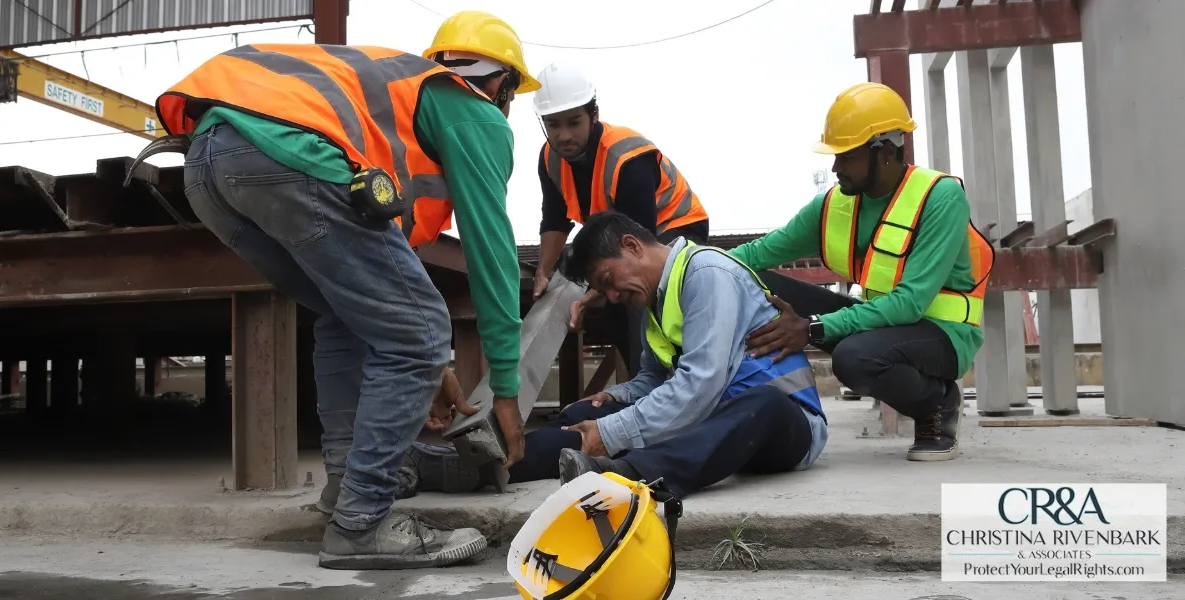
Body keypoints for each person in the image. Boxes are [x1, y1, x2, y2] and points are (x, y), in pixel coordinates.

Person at [149, 10, 540, 569]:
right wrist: (505, 390)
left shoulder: (395, 105)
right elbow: (492, 251)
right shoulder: (473, 112)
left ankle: (345, 497)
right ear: (501, 84)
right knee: (421, 330)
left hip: (209, 163)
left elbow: (378, 296)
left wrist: (431, 367)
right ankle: (363, 523)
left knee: (344, 316)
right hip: (284, 152)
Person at [731, 82, 994, 462]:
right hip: (884, 325)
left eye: (846, 156)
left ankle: (937, 403)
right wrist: (686, 265)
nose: (835, 167)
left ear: (885, 152)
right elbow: (757, 253)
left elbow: (910, 304)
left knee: (853, 359)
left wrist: (812, 328)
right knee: (756, 281)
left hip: (942, 334)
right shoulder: (835, 205)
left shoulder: (940, 198)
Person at [506, 211, 828, 500]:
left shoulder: (707, 273)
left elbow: (701, 384)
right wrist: (616, 397)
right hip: (710, 417)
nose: (614, 297)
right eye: (604, 292)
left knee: (764, 404)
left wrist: (613, 431)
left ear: (632, 246)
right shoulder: (654, 301)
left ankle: (627, 474)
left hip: (785, 424)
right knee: (587, 415)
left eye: (608, 281)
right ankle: (497, 463)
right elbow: (654, 379)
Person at [528, 61, 710, 378]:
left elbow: (637, 247)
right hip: (621, 238)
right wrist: (543, 272)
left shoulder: (628, 157)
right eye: (554, 125)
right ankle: (645, 386)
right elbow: (555, 219)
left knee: (637, 297)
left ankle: (675, 385)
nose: (564, 135)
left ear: (593, 115)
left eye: (574, 122)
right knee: (616, 309)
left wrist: (586, 298)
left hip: (674, 230)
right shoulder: (549, 159)